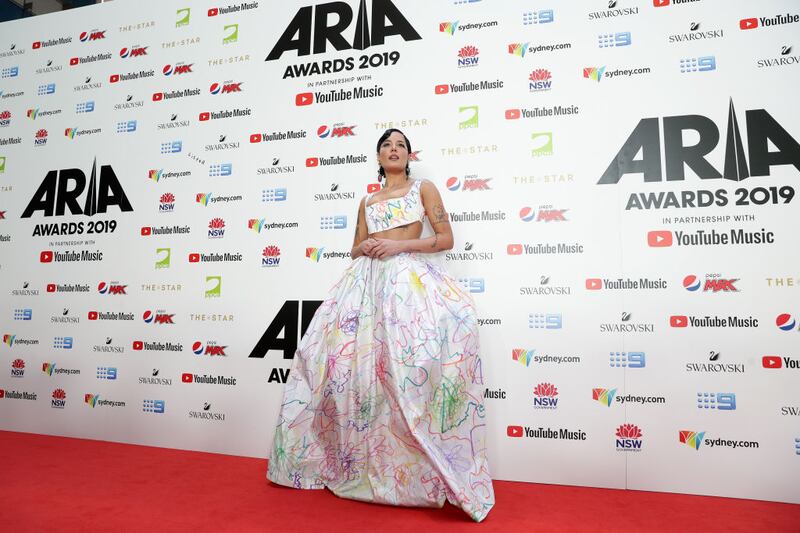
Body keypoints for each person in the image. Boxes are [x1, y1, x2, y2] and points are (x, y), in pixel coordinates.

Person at [267, 129, 495, 522]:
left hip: (407, 285)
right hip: (365, 287)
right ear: (378, 155)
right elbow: (355, 246)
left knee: (406, 373)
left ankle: (417, 474)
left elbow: (445, 239)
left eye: (401, 146)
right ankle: (363, 466)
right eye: (387, 145)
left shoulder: (424, 189)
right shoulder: (367, 200)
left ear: (409, 156)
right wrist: (369, 247)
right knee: (354, 372)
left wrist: (397, 245)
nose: (394, 150)